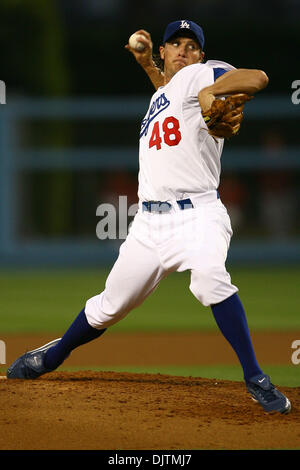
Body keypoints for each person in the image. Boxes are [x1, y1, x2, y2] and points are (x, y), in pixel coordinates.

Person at [7, 20, 291, 415]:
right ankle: (53, 355)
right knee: (109, 306)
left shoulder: (200, 74)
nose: (183, 50)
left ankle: (256, 377)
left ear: (201, 56)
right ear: (163, 51)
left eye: (191, 45)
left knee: (210, 278)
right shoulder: (166, 92)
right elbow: (168, 90)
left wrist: (211, 89)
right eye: (175, 43)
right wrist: (145, 65)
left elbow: (257, 78)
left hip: (199, 214)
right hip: (149, 226)